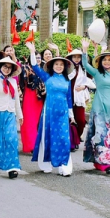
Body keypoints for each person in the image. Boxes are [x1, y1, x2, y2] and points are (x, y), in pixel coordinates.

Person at [26, 42, 74, 176]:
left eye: (61, 64)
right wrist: (32, 51)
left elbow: (69, 98)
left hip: (63, 113)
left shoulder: (67, 80)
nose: (59, 66)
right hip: (49, 112)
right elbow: (35, 66)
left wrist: (71, 115)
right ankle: (46, 163)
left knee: (64, 138)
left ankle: (63, 165)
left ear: (64, 67)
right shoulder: (47, 77)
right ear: (52, 66)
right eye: (56, 64)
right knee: (47, 136)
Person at [80, 39, 110, 174]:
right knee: (101, 135)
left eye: (109, 60)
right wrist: (85, 50)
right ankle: (106, 164)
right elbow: (85, 65)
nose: (107, 62)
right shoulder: (97, 73)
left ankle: (102, 162)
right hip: (99, 109)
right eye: (104, 60)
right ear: (101, 62)